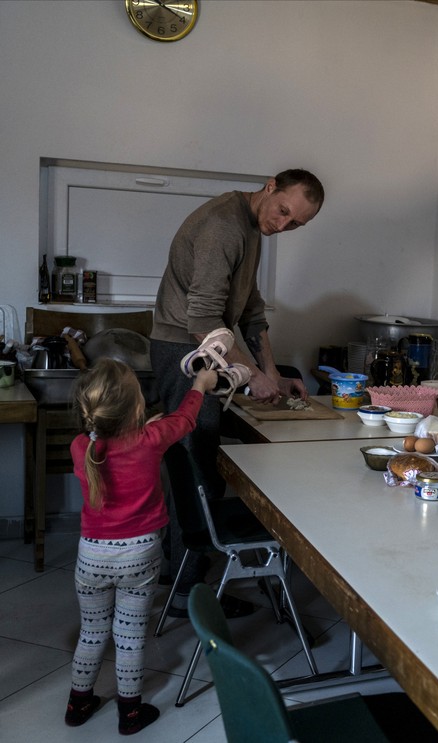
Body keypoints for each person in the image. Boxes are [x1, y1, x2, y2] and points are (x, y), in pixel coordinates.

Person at [149, 168, 324, 616]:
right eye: (284, 211)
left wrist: (272, 373)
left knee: (204, 462)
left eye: (296, 224)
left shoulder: (253, 225)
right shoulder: (224, 227)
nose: (284, 225)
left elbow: (250, 310)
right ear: (270, 187)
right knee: (195, 468)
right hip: (185, 350)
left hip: (210, 350)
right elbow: (204, 318)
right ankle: (188, 592)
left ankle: (185, 575)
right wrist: (250, 374)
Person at [65, 359, 218, 734]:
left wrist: (141, 430)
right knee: (130, 636)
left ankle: (78, 703)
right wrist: (200, 383)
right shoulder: (151, 440)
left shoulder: (81, 446)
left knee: (92, 631)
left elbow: (115, 447)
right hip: (139, 555)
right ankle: (130, 713)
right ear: (136, 405)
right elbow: (184, 419)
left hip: (92, 557)